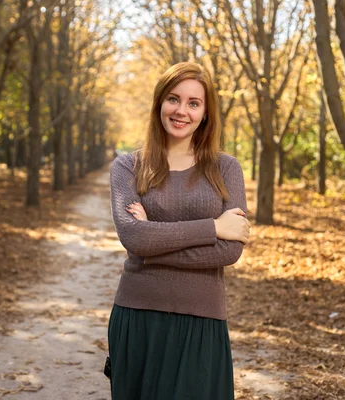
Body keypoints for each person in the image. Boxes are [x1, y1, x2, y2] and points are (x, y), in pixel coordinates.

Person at [106, 61, 251, 400]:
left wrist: (152, 241)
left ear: (205, 113)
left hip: (202, 319)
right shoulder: (128, 166)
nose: (181, 110)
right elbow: (134, 237)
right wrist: (215, 227)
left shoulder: (226, 168)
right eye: (174, 99)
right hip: (138, 317)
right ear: (159, 103)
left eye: (193, 103)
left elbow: (230, 251)